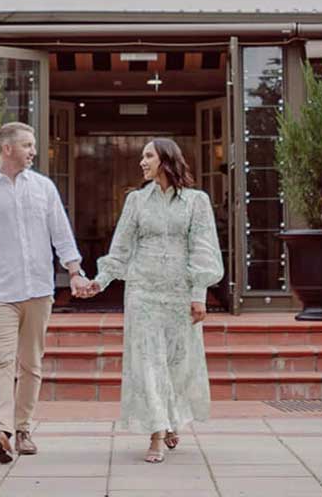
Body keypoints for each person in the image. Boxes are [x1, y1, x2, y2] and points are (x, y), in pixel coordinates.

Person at [75, 138, 224, 463]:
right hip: (143, 293)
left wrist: (199, 294)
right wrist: (98, 282)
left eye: (148, 156)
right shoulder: (136, 201)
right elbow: (121, 248)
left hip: (179, 294)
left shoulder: (196, 202)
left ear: (165, 160)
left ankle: (171, 419)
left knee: (176, 365)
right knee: (148, 363)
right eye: (142, 156)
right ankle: (156, 433)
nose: (142, 162)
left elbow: (203, 247)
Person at [0, 122, 89, 464]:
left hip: (38, 289)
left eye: (33, 145)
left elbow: (61, 232)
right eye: (28, 145)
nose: (34, 151)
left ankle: (23, 429)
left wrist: (74, 272)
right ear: (7, 148)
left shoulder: (44, 188)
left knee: (31, 364)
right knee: (2, 358)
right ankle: (1, 430)